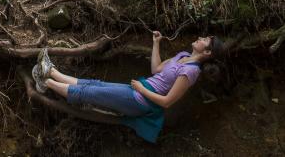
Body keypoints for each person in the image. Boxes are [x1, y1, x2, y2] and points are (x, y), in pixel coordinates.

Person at [32, 32, 225, 143]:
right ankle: (51, 72)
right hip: (139, 89)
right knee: (95, 85)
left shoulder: (191, 72)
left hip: (142, 100)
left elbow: (167, 102)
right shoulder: (183, 55)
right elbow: (156, 69)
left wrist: (142, 90)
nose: (200, 38)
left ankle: (45, 82)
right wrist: (155, 43)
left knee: (91, 93)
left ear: (207, 52)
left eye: (204, 40)